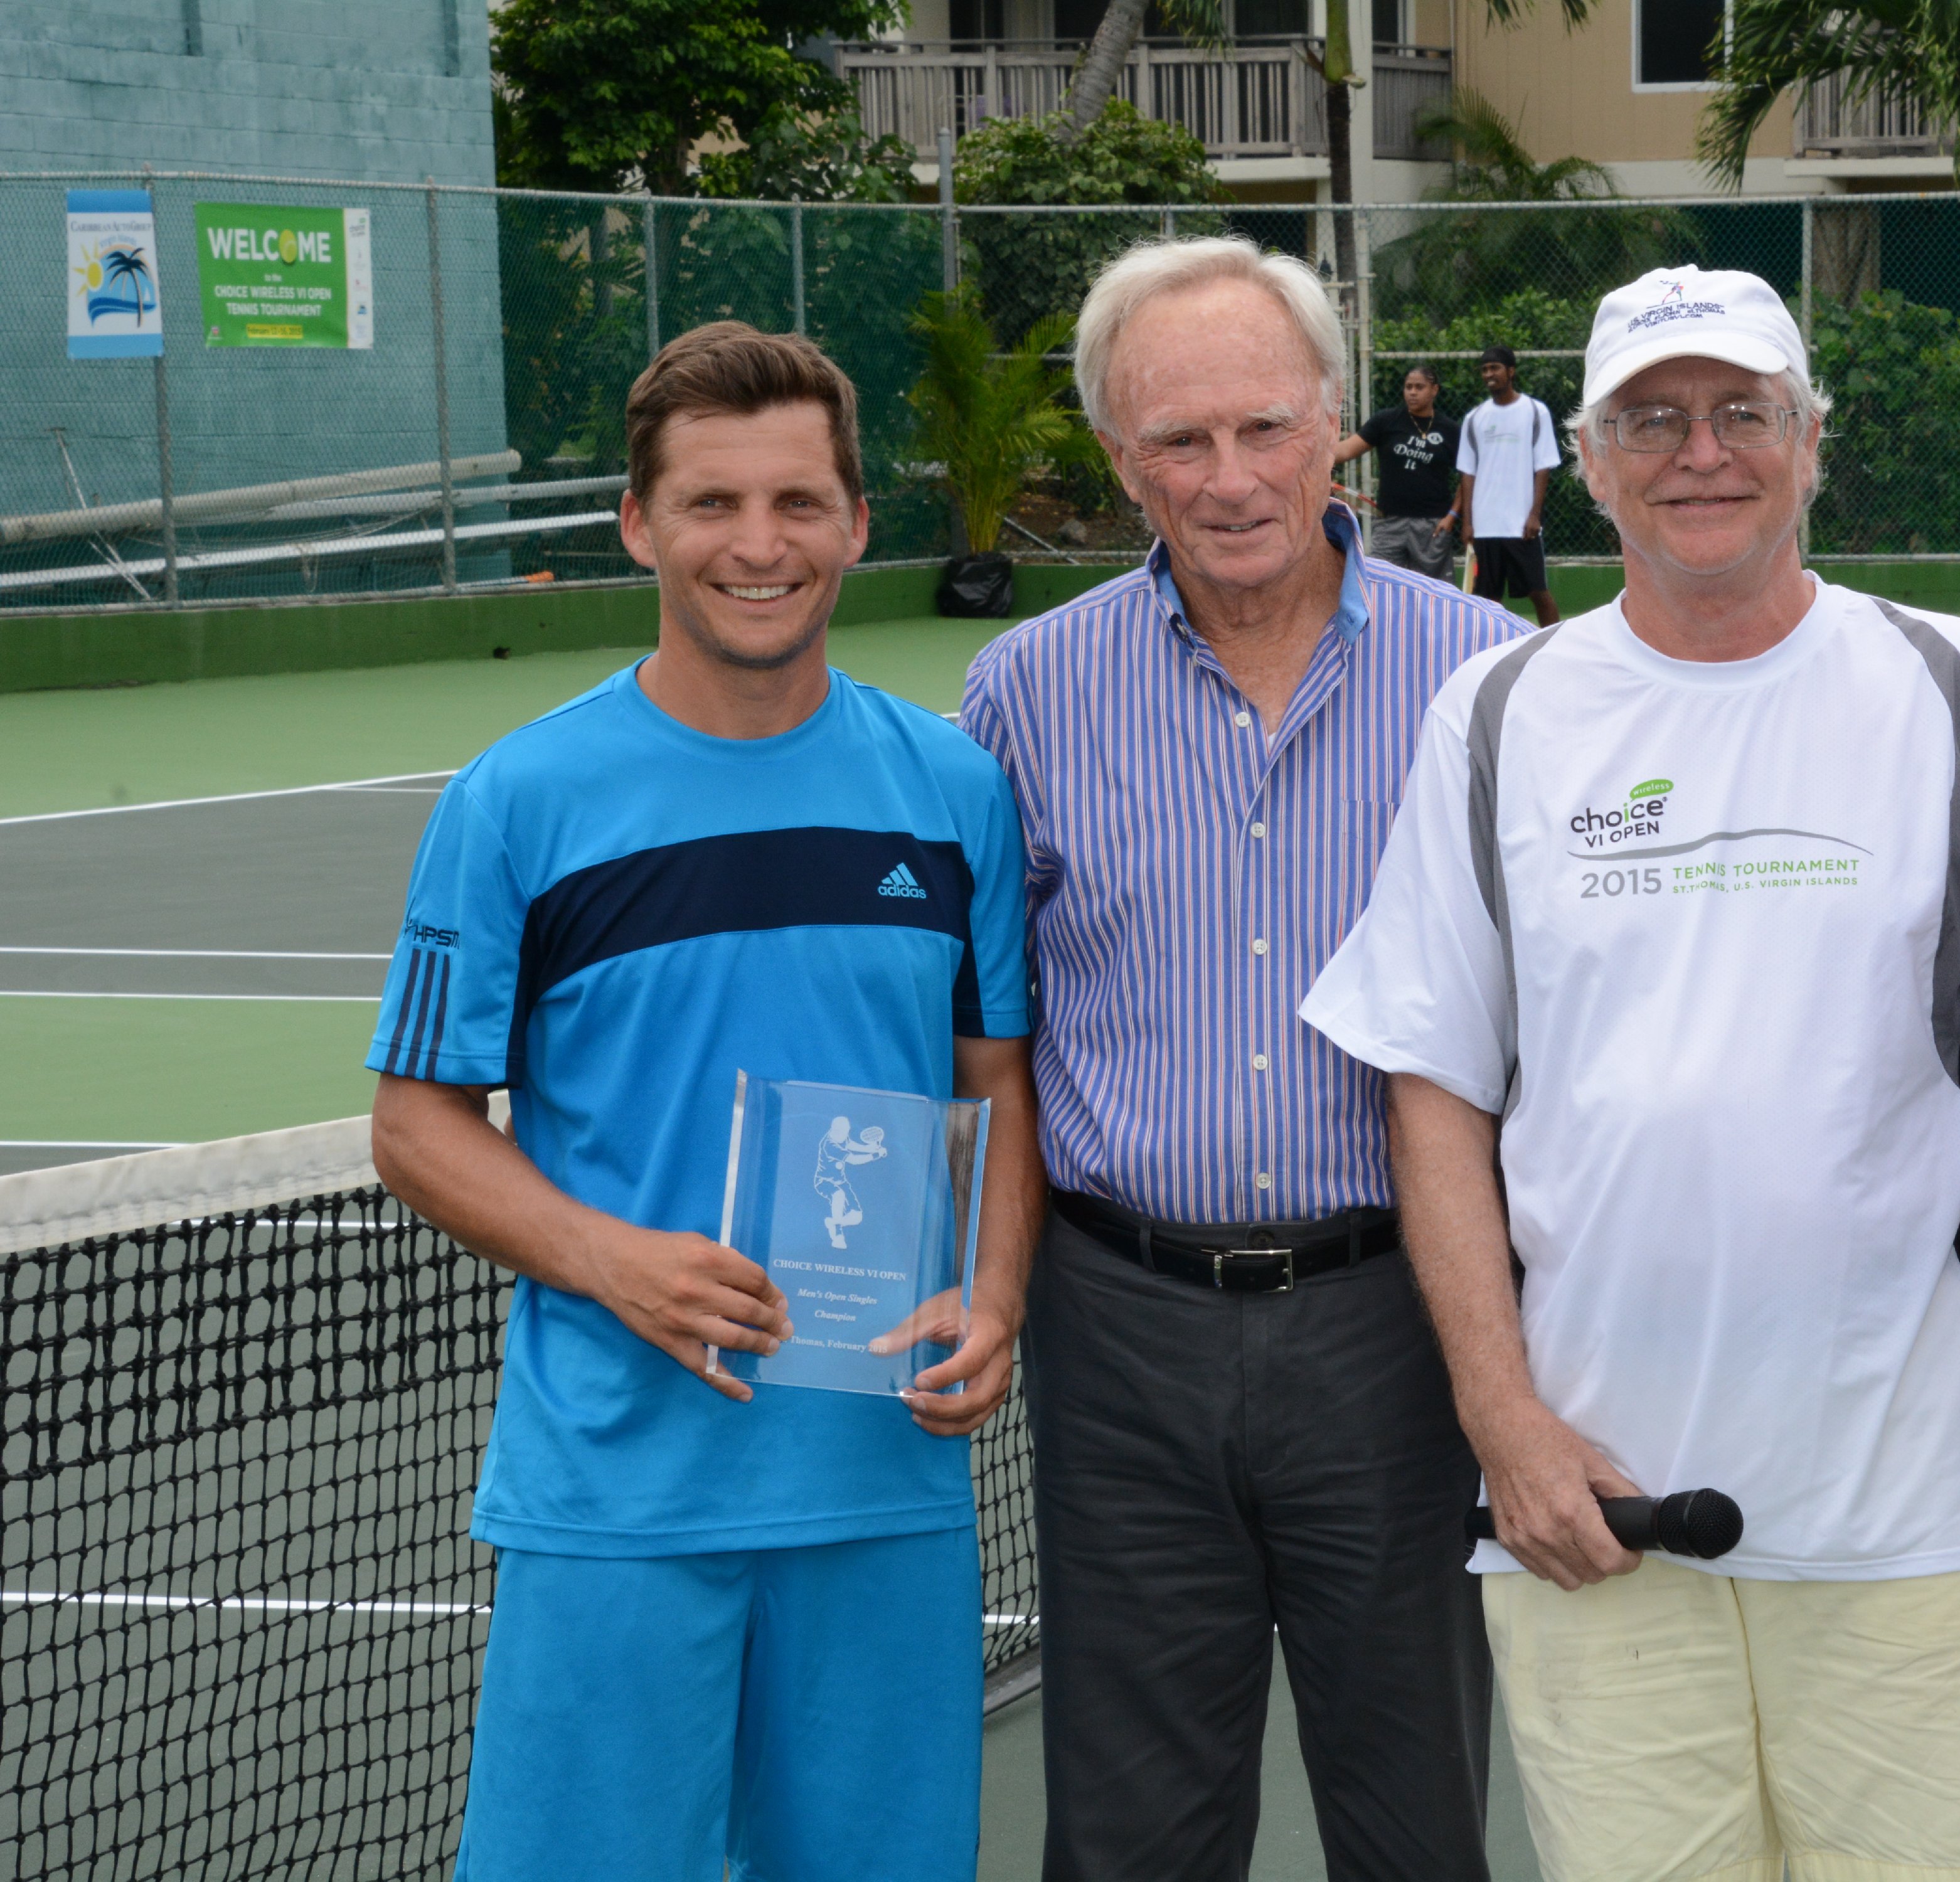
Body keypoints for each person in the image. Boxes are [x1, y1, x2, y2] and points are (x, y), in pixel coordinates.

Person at [1303, 263, 1960, 1882]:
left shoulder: (1958, 690)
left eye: (1739, 414)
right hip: (1592, 1514)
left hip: (1898, 1505)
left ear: (1808, 439)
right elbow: (1430, 1088)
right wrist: (1505, 1426)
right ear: (1585, 455)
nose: (1696, 452)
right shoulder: (1495, 716)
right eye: (1650, 419)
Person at [366, 323, 1045, 1882]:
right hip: (618, 1494)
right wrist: (615, 1259)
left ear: (859, 523)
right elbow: (414, 1125)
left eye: (799, 503)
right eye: (712, 503)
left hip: (883, 1491)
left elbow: (993, 1080)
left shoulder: (952, 794)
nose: (759, 545)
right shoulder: (516, 801)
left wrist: (995, 1289)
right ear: (637, 524)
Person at [956, 237, 1524, 1882]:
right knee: (1133, 1837)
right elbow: (980, 1037)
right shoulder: (1023, 693)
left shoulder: (1488, 682)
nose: (1228, 479)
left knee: (1415, 1821)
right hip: (1119, 1339)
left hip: (1405, 1331)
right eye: (1176, 444)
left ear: (1337, 425)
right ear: (1119, 465)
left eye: (1263, 428)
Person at [1454, 344, 1562, 624]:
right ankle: (1489, 653)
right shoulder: (1474, 418)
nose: (1489, 374)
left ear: (1511, 372)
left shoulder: (1536, 412)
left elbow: (1543, 466)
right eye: (1485, 370)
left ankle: (1554, 646)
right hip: (1485, 527)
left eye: (1495, 368)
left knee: (1539, 593)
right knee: (1487, 600)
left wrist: (1535, 514)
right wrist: (1468, 523)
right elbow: (1468, 473)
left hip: (1521, 526)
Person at [1334, 363, 1460, 581]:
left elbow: (1468, 477)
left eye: (1419, 387)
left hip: (1432, 525)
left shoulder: (1449, 429)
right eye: (1408, 387)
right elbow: (1346, 450)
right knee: (1381, 583)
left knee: (1432, 591)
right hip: (1389, 522)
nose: (1412, 392)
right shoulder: (1387, 421)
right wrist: (1311, 456)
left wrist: (1452, 516)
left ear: (1435, 390)